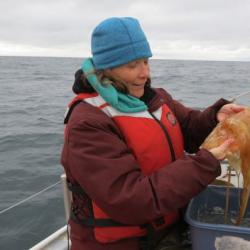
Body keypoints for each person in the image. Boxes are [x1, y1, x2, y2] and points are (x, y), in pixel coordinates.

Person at [61, 17, 244, 250]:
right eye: (132, 65)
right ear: (106, 69)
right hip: (126, 244)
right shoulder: (88, 123)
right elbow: (130, 199)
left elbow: (188, 127)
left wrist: (214, 117)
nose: (144, 73)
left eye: (146, 62)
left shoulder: (155, 97)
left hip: (168, 228)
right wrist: (204, 164)